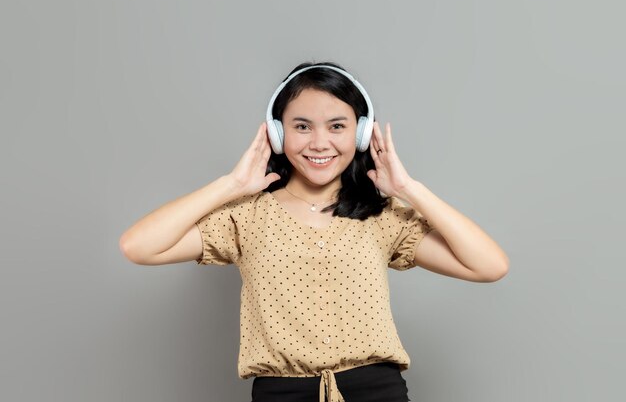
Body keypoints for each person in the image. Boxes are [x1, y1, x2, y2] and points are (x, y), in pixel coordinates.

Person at [119, 61, 509, 402]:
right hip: (280, 394)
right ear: (277, 133)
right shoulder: (246, 217)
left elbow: (489, 266)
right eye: (301, 126)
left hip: (377, 391)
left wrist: (409, 189)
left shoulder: (382, 215)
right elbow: (138, 247)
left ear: (359, 133)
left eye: (337, 126)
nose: (319, 142)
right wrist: (231, 184)